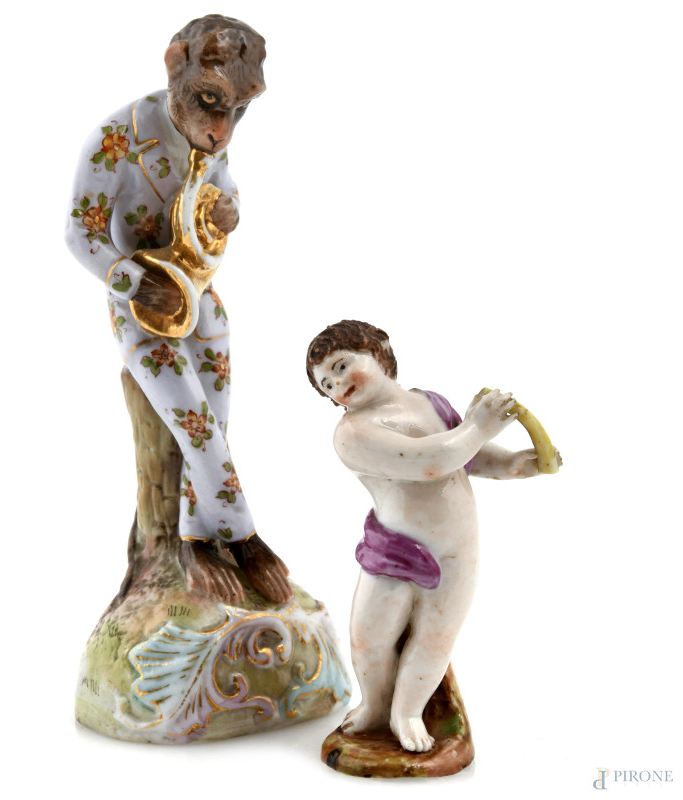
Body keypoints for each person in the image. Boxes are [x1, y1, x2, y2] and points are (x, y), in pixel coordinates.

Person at [66, 15, 290, 604]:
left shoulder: (209, 137)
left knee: (216, 420)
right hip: (142, 305)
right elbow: (80, 234)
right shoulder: (117, 139)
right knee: (196, 426)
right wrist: (136, 284)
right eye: (210, 102)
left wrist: (228, 210)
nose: (222, 130)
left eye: (240, 110)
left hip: (199, 293)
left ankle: (196, 538)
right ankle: (243, 538)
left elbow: (223, 183)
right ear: (175, 66)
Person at [306, 320, 559, 752]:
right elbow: (432, 461)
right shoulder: (353, 434)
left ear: (379, 348)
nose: (338, 384)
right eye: (326, 384)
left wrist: (514, 463)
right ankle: (375, 708)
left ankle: (407, 712)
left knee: (436, 636)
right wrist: (478, 426)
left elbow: (467, 458)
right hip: (396, 549)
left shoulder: (429, 402)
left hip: (456, 550)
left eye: (342, 366)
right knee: (370, 636)